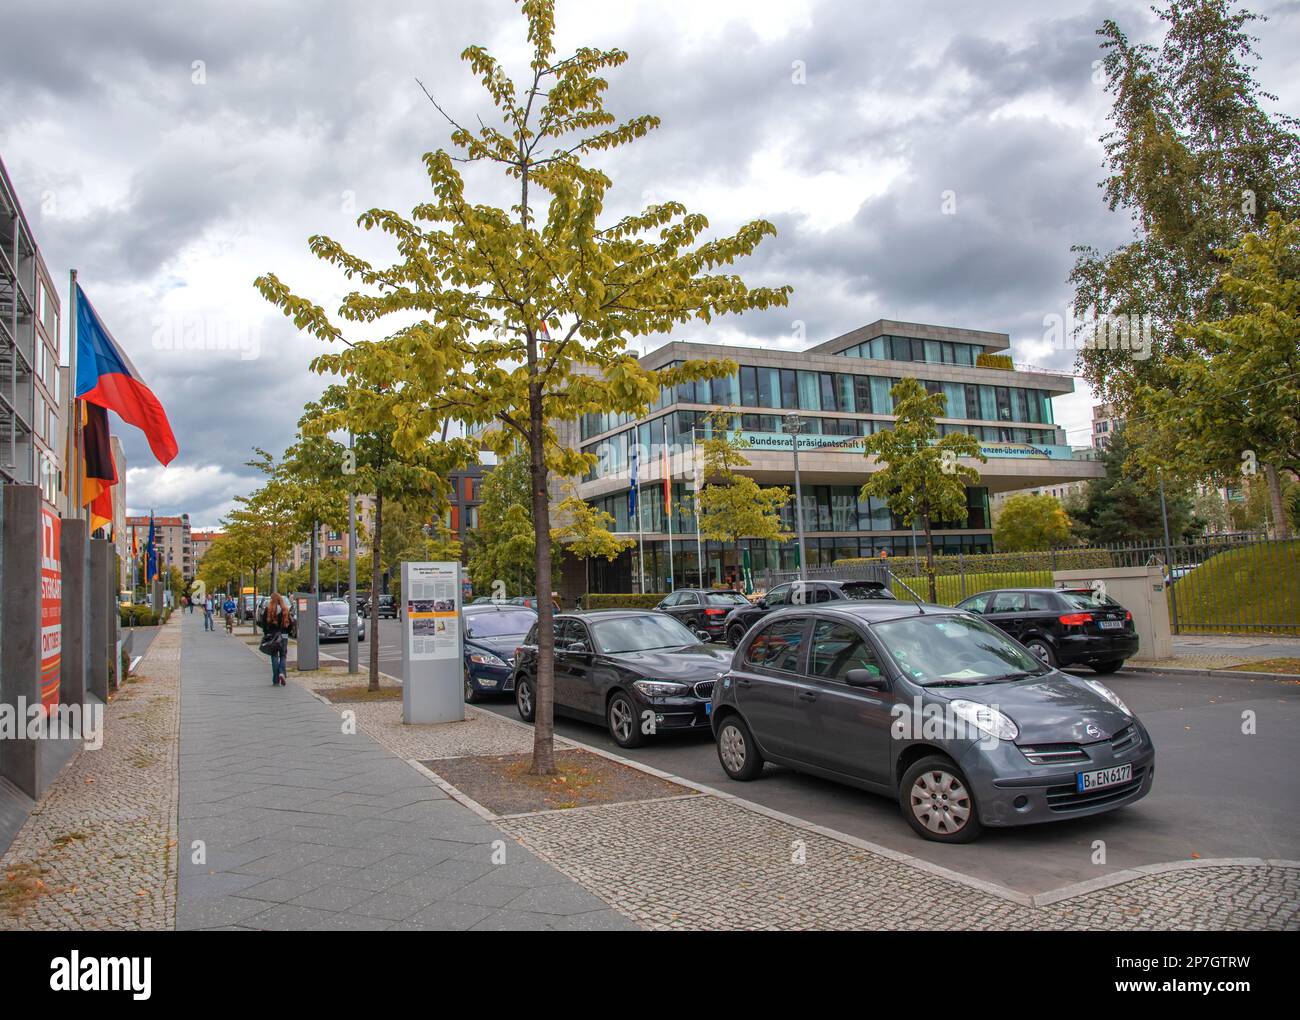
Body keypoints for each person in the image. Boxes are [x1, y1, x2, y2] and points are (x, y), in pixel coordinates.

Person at [258, 592, 292, 686]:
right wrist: (286, 632)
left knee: (274, 656)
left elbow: (264, 625)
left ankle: (276, 679)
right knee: (283, 655)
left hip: (272, 636)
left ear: (272, 600)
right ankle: (282, 672)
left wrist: (266, 634)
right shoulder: (285, 610)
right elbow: (290, 624)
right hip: (283, 636)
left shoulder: (268, 610)